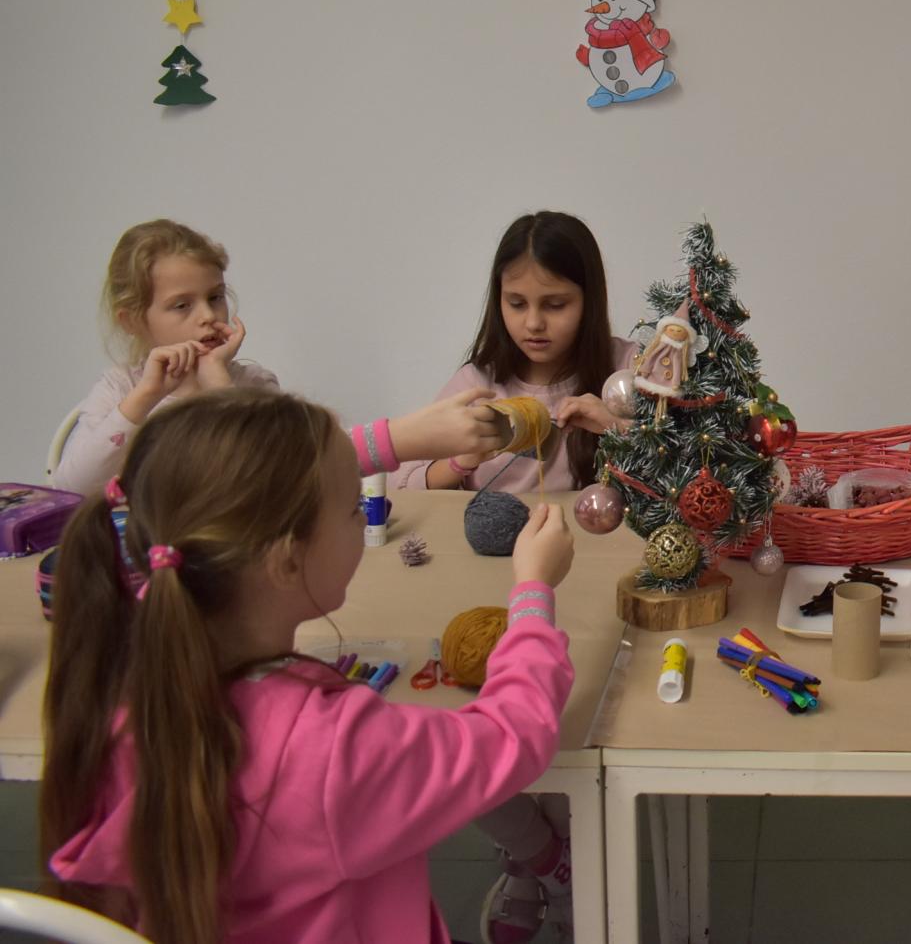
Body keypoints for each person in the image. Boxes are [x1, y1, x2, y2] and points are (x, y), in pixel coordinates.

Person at [40, 387, 577, 944]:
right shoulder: (335, 752)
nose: (361, 516)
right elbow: (513, 736)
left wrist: (400, 439)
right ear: (286, 559)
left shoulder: (121, 661)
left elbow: (230, 485)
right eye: (353, 508)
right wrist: (533, 592)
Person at [395, 211, 637, 494]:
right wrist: (461, 462)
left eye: (555, 305)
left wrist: (616, 426)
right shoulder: (478, 385)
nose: (533, 323)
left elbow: (680, 478)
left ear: (589, 300)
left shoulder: (627, 371)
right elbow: (401, 485)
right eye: (517, 304)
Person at [52, 219, 277, 495]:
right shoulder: (120, 388)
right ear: (132, 321)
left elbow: (279, 481)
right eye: (182, 305)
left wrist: (221, 390)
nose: (208, 315)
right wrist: (147, 395)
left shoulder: (253, 385)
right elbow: (71, 488)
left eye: (215, 297)